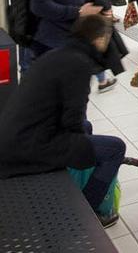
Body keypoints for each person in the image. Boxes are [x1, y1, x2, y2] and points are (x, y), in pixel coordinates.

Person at [0, 15, 126, 227]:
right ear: (99, 39)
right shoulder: (79, 64)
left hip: (14, 139)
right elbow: (73, 121)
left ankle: (79, 189)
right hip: (30, 147)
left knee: (87, 130)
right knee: (115, 148)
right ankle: (90, 212)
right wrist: (81, 152)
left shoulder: (58, 53)